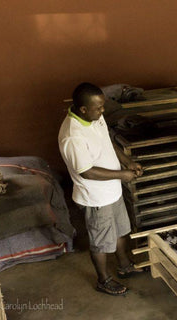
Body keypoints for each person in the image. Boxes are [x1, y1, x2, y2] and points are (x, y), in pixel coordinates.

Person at [58, 82, 144, 296]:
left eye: (102, 106)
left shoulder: (94, 117)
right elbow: (86, 172)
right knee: (101, 242)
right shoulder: (73, 136)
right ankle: (103, 280)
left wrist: (126, 161)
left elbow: (108, 142)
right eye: (98, 108)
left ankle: (124, 266)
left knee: (122, 230)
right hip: (95, 198)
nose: (103, 110)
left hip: (112, 191)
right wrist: (122, 175)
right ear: (83, 109)